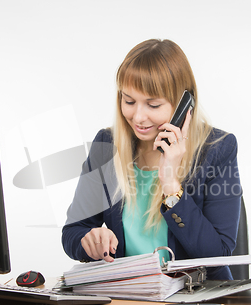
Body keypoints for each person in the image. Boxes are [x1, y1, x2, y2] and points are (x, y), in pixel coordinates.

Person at [62, 39, 241, 280]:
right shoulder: (107, 146)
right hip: (130, 295)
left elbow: (217, 257)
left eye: (153, 104)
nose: (138, 117)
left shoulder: (218, 149)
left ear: (184, 105)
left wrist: (170, 184)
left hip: (196, 299)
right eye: (129, 101)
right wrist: (89, 240)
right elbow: (73, 232)